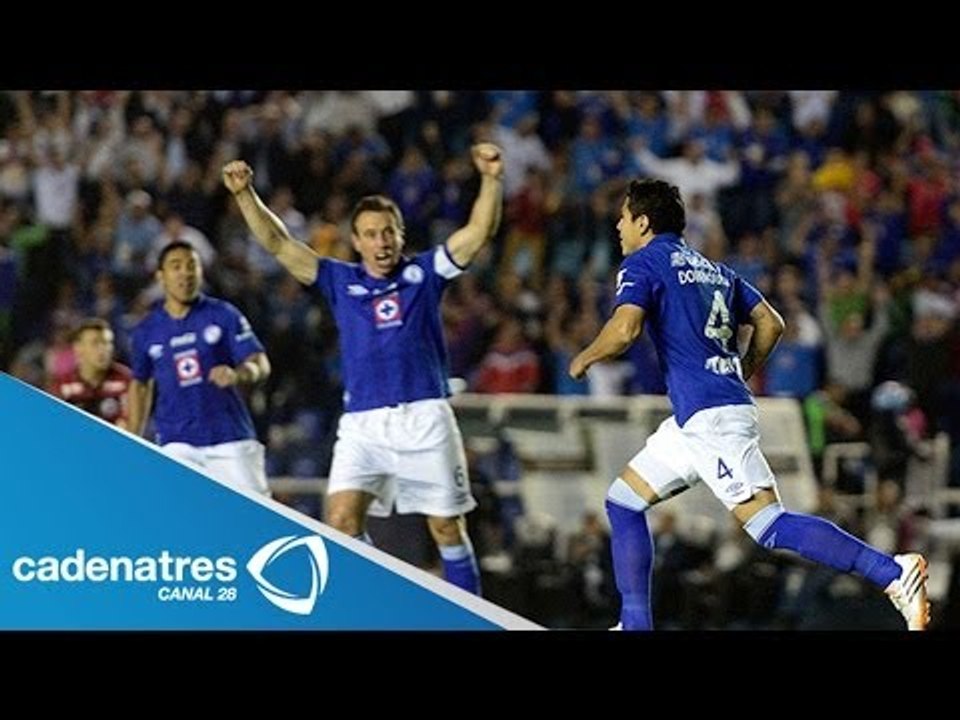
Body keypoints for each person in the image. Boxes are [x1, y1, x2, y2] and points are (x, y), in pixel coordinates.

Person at [569, 178, 930, 630]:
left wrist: (583, 357)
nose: (618, 226)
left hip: (711, 420)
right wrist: (742, 369)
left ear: (643, 221)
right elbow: (770, 323)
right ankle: (634, 625)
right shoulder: (714, 269)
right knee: (623, 502)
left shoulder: (644, 262)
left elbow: (624, 331)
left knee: (767, 526)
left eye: (623, 217)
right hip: (697, 418)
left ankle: (894, 573)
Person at [221, 142, 504, 595]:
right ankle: (384, 605)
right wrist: (244, 195)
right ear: (356, 242)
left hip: (425, 416)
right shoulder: (339, 280)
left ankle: (472, 618)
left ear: (401, 234)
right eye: (371, 234)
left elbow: (478, 231)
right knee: (339, 522)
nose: (381, 242)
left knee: (447, 530)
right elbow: (278, 243)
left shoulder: (425, 274)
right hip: (363, 423)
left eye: (388, 232)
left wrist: (491, 178)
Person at [127, 241, 272, 496]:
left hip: (230, 437)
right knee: (181, 521)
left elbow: (260, 363)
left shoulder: (224, 314)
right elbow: (140, 384)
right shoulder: (146, 331)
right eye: (176, 266)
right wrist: (131, 441)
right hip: (177, 442)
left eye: (192, 265)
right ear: (160, 276)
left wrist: (238, 374)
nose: (185, 272)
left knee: (259, 522)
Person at [50, 317, 132, 428]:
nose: (103, 349)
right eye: (95, 343)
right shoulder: (62, 385)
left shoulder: (126, 380)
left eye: (107, 343)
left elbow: (130, 427)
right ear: (78, 348)